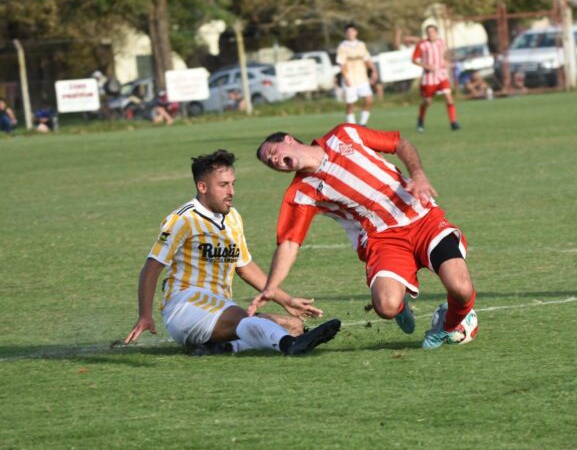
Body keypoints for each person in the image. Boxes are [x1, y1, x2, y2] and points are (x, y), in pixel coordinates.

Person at [251, 125, 477, 350]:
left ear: (289, 140)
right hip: (384, 240)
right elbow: (289, 243)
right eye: (270, 163)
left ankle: (446, 328)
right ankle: (399, 306)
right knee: (386, 307)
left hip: (423, 218)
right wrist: (271, 288)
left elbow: (400, 143)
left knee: (461, 288)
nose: (274, 161)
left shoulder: (344, 135)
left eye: (273, 153)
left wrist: (417, 174)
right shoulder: (301, 192)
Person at [125, 149, 341, 356]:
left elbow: (245, 267)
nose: (231, 192)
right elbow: (151, 268)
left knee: (294, 325)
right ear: (203, 187)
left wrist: (285, 299)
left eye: (232, 184)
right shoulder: (184, 219)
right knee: (253, 323)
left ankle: (224, 348)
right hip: (185, 306)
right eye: (223, 185)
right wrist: (145, 315)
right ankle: (289, 346)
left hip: (219, 308)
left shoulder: (233, 217)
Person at [412, 25, 461, 132]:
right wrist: (427, 66)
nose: (430, 34)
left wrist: (447, 62)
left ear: (436, 32)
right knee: (427, 101)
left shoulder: (441, 42)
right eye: (428, 32)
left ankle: (453, 122)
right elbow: (414, 60)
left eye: (432, 32)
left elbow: (445, 55)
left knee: (448, 97)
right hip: (429, 77)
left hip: (441, 74)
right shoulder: (422, 45)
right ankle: (420, 120)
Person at [336, 23, 376, 126]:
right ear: (345, 33)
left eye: (352, 31)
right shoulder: (342, 46)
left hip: (362, 78)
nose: (351, 33)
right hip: (350, 78)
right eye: (348, 32)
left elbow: (367, 59)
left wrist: (374, 71)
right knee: (350, 104)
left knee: (368, 100)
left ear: (356, 32)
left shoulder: (361, 45)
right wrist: (345, 77)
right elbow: (341, 63)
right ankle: (352, 125)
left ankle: (362, 123)